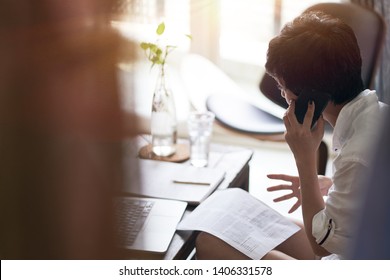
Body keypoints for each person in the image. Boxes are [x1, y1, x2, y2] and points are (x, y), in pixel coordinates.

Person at [195, 10, 386, 260]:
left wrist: (305, 162)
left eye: (282, 87)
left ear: (310, 98)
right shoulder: (379, 115)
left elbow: (322, 247)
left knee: (209, 243)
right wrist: (332, 186)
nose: (283, 95)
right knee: (259, 226)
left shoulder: (355, 155)